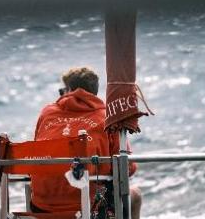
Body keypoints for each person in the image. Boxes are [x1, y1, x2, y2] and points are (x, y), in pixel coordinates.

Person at [30, 67, 142, 218]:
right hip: (88, 207)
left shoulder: (47, 113)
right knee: (135, 195)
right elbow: (127, 169)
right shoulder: (108, 117)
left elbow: (36, 153)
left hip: (41, 206)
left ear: (69, 90)